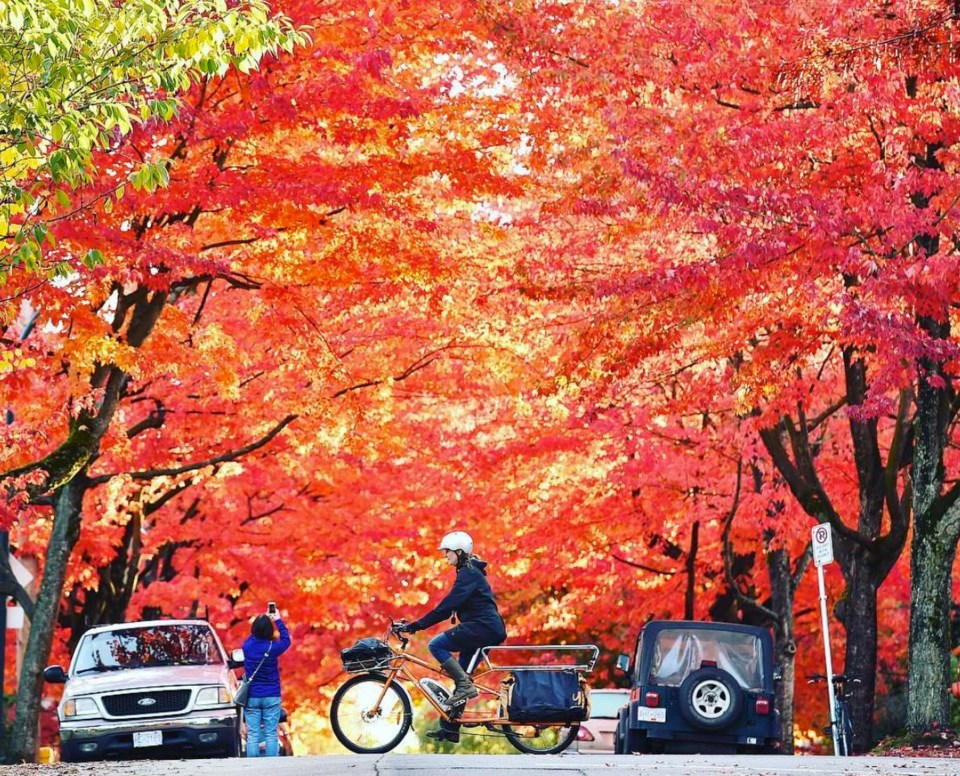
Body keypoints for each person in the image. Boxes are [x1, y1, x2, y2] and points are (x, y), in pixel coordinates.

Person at [398, 530, 507, 744]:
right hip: (479, 629)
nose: (444, 555)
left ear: (459, 552)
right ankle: (450, 728)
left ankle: (464, 691)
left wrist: (417, 625)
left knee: (437, 644)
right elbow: (449, 608)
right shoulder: (467, 572)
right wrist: (416, 624)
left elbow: (447, 607)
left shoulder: (469, 574)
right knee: (462, 676)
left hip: (483, 630)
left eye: (447, 552)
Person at [242, 608, 292, 757]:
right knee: (271, 734)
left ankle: (252, 767)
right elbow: (286, 640)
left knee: (253, 734)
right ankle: (271, 768)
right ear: (270, 631)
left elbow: (252, 638)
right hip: (272, 695)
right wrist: (277, 619)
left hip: (252, 696)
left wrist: (259, 626)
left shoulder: (247, 646)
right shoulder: (273, 648)